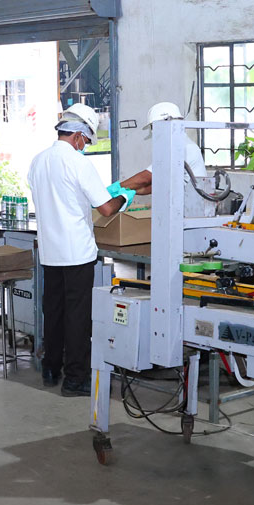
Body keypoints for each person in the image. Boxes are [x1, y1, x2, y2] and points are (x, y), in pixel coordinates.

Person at [27, 103, 131, 397]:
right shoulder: (79, 163)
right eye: (85, 142)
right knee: (77, 317)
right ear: (77, 137)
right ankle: (75, 379)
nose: (84, 147)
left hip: (50, 252)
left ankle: (51, 368)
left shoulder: (38, 161)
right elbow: (107, 208)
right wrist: (125, 195)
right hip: (77, 253)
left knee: (55, 312)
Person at [112, 102, 228, 217]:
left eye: (153, 127)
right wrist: (131, 191)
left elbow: (145, 179)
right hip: (184, 211)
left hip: (193, 213)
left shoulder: (185, 148)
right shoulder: (174, 146)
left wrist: (115, 188)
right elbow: (157, 184)